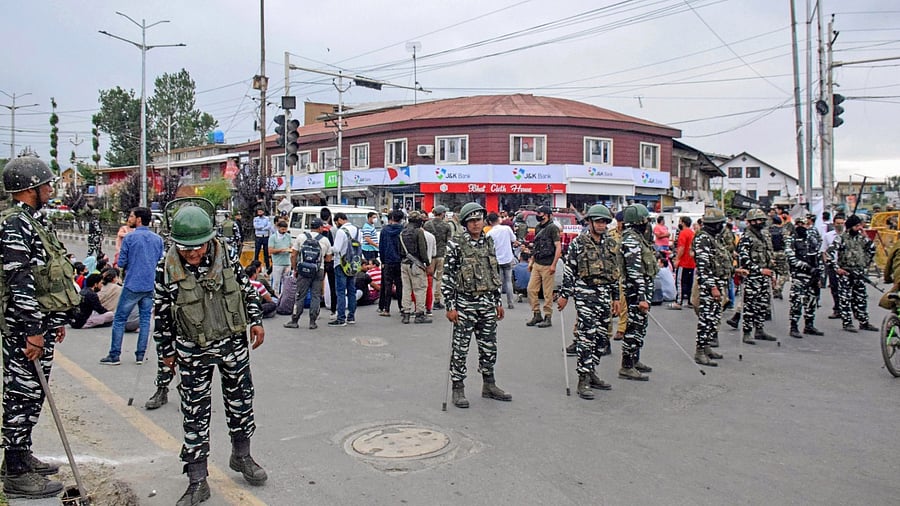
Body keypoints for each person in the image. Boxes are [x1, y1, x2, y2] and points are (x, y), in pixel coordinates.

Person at [153, 204, 267, 505]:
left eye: (198, 247)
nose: (193, 253)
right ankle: (197, 479)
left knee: (241, 403)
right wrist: (166, 353)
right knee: (194, 413)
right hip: (192, 352)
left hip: (233, 346)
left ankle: (242, 456)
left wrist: (255, 321)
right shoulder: (165, 268)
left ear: (210, 238)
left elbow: (246, 289)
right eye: (186, 248)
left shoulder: (226, 255)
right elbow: (161, 315)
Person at [1, 157, 81, 498]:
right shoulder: (15, 225)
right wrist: (34, 329)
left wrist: (55, 321)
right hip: (23, 328)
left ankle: (20, 456)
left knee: (34, 394)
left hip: (40, 325)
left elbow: (49, 276)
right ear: (30, 189)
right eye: (46, 184)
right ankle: (16, 472)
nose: (51, 188)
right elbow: (20, 282)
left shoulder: (34, 222)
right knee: (21, 395)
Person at [443, 202, 511, 408]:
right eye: (471, 221)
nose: (475, 224)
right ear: (465, 223)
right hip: (464, 303)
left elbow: (493, 272)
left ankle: (489, 384)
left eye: (478, 219)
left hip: (488, 303)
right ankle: (458, 388)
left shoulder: (488, 241)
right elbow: (447, 276)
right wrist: (450, 306)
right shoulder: (455, 244)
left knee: (489, 347)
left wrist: (498, 301)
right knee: (461, 348)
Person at [557, 204, 620, 399]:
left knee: (602, 338)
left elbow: (615, 272)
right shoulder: (579, 243)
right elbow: (570, 270)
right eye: (598, 221)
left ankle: (592, 371)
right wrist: (564, 295)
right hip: (585, 292)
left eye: (604, 222)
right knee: (586, 336)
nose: (601, 225)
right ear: (590, 222)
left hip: (604, 294)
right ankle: (583, 378)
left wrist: (616, 297)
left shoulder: (610, 244)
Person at [100, 207, 164, 365]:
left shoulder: (129, 238)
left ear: (139, 219)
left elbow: (121, 262)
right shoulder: (158, 239)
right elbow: (160, 262)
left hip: (132, 284)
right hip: (150, 285)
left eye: (131, 216)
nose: (129, 219)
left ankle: (114, 354)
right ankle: (140, 355)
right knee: (145, 321)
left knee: (120, 319)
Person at [618, 204, 657, 381]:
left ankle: (635, 358)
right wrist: (641, 297)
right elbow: (634, 273)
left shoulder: (639, 238)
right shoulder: (631, 240)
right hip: (636, 293)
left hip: (642, 291)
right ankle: (627, 365)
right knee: (633, 327)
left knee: (641, 327)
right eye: (646, 220)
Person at [691, 208, 731, 366]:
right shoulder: (703, 238)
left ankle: (706, 346)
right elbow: (703, 266)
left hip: (718, 282)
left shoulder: (715, 238)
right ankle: (699, 351)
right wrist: (712, 287)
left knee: (713, 319)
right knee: (705, 319)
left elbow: (719, 261)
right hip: (708, 286)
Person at [827, 214, 878, 333]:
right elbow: (829, 254)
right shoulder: (841, 238)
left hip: (859, 272)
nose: (859, 228)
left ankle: (863, 322)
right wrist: (837, 269)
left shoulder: (861, 238)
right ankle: (847, 322)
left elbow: (872, 249)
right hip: (846, 272)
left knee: (861, 298)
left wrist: (865, 264)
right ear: (850, 227)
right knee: (845, 298)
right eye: (856, 226)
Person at [736, 208, 777, 344]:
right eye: (756, 221)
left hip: (764, 275)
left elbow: (767, 255)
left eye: (761, 220)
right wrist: (759, 270)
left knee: (762, 305)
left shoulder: (763, 236)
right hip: (752, 277)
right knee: (750, 306)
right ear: (750, 222)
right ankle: (747, 332)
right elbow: (744, 259)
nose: (759, 222)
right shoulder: (746, 238)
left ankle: (759, 330)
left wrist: (771, 272)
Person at [284, 218, 331, 330]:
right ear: (320, 228)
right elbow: (328, 259)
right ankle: (312, 322)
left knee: (300, 295)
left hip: (303, 270)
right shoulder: (325, 240)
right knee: (315, 296)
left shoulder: (301, 237)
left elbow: (293, 254)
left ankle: (294, 320)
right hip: (318, 270)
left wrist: (295, 268)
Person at [785, 217, 824, 338]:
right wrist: (806, 267)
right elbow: (791, 258)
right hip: (799, 276)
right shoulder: (791, 240)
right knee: (797, 301)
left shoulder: (811, 240)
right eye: (799, 224)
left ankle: (809, 325)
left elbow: (818, 256)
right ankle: (794, 326)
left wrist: (819, 273)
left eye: (804, 224)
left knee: (812, 301)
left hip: (812, 276)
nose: (802, 226)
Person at [526, 205, 561, 328]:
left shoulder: (553, 228)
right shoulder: (538, 228)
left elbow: (558, 247)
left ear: (546, 215)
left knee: (547, 293)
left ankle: (548, 316)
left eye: (540, 213)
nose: (538, 215)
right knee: (531, 289)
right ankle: (536, 314)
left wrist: (553, 265)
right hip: (537, 263)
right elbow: (537, 247)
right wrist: (531, 262)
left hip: (548, 264)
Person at [399, 211, 431, 324]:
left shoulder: (402, 233)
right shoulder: (418, 232)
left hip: (404, 263)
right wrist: (427, 263)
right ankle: (419, 314)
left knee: (406, 289)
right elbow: (423, 249)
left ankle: (406, 314)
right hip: (416, 264)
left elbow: (400, 250)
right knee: (420, 289)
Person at [331, 212, 360, 326]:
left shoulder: (341, 231)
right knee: (351, 291)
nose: (336, 224)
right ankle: (351, 317)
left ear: (340, 220)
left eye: (336, 222)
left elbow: (337, 248)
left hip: (341, 264)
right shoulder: (357, 230)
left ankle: (341, 318)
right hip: (353, 264)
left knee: (341, 291)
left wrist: (329, 248)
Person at [486, 212, 519, 309]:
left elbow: (488, 247)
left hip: (497, 260)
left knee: (498, 282)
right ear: (498, 219)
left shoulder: (489, 233)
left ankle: (498, 303)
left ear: (490, 222)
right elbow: (514, 239)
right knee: (508, 281)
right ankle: (510, 302)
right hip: (508, 258)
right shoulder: (507, 229)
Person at [424, 205, 453, 310]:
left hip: (430, 255)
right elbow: (449, 241)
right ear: (442, 214)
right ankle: (437, 300)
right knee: (439, 279)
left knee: (428, 278)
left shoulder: (427, 224)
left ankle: (426, 299)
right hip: (441, 254)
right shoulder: (446, 226)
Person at [378, 210, 404, 317]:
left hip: (388, 260)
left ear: (392, 218)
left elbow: (381, 247)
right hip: (400, 261)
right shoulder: (403, 230)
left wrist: (383, 261)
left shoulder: (384, 231)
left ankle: (386, 308)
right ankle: (401, 307)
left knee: (387, 285)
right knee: (400, 284)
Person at [821, 213, 846, 319]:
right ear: (834, 224)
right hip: (833, 265)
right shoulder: (828, 236)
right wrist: (827, 263)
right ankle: (837, 309)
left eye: (842, 223)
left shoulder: (847, 236)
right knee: (835, 288)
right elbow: (824, 251)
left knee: (848, 289)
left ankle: (852, 310)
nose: (840, 225)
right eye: (838, 223)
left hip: (846, 266)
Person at [671, 216, 695, 309]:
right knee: (689, 282)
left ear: (683, 223)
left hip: (684, 262)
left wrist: (677, 259)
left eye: (680, 222)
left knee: (680, 282)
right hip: (691, 262)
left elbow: (681, 248)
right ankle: (690, 301)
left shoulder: (683, 233)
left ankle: (678, 302)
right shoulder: (692, 233)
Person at [267, 221, 292, 297]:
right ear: (278, 228)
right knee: (276, 283)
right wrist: (281, 250)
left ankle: (284, 298)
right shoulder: (273, 238)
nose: (284, 231)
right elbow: (270, 251)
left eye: (285, 229)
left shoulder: (288, 236)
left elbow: (291, 246)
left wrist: (290, 250)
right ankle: (275, 298)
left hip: (287, 263)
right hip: (277, 264)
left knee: (286, 283)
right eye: (282, 229)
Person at [252, 207, 273, 272]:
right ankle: (255, 266)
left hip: (265, 237)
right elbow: (256, 226)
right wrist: (263, 226)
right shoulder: (255, 219)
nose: (260, 213)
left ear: (263, 212)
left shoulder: (267, 218)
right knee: (257, 252)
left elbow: (268, 227)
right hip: (258, 237)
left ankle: (267, 266)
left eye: (261, 211)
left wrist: (261, 227)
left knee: (266, 252)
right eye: (259, 212)